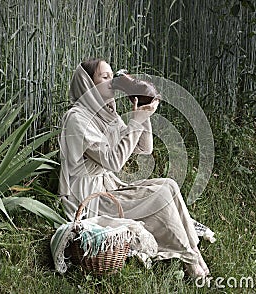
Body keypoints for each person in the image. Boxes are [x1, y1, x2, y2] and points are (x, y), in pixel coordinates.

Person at [58, 58, 210, 278]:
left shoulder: (106, 113)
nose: (112, 82)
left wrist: (143, 114)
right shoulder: (77, 119)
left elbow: (144, 147)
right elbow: (114, 161)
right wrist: (135, 121)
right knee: (160, 197)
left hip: (107, 187)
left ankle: (193, 254)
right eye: (105, 77)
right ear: (88, 84)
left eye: (113, 75)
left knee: (169, 185)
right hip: (89, 199)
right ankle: (190, 260)